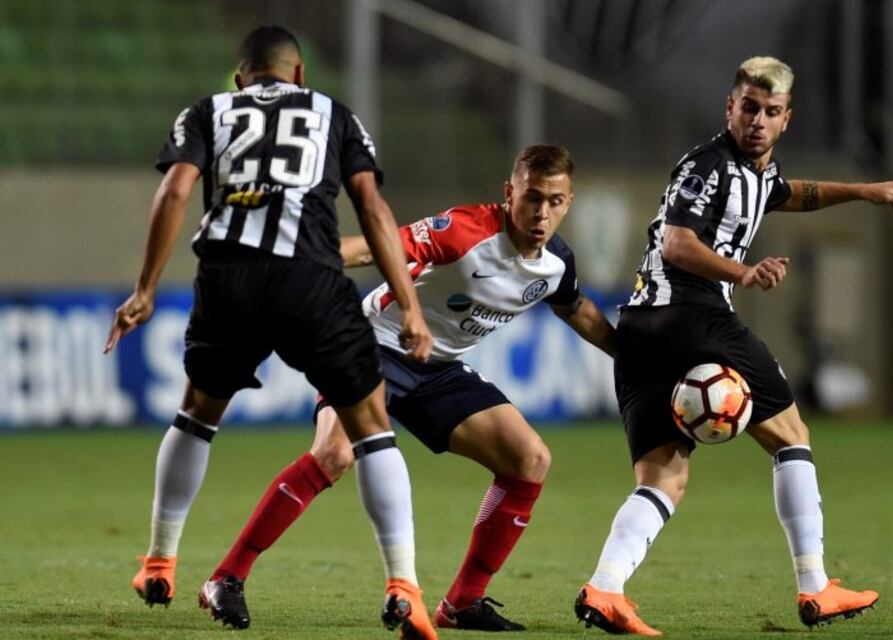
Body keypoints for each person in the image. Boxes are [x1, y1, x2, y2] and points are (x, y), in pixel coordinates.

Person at [103, 25, 442, 639]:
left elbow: (175, 189)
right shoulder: (333, 114)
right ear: (300, 74)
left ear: (241, 79)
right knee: (370, 428)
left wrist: (145, 288)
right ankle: (403, 585)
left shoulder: (208, 111)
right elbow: (372, 208)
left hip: (227, 278)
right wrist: (411, 307)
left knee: (196, 415)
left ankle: (159, 562)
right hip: (310, 278)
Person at [572, 56, 893, 636]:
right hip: (693, 316)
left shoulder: (759, 173)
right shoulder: (708, 165)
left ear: (787, 118)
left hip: (641, 331)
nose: (758, 121)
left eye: (771, 111)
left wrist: (865, 191)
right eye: (749, 108)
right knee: (792, 436)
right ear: (730, 108)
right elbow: (677, 244)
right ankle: (815, 586)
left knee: (662, 479)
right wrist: (742, 272)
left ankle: (605, 588)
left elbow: (791, 193)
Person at [197, 144, 616, 632]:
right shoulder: (466, 230)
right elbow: (376, 246)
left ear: (569, 202)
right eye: (532, 198)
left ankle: (462, 604)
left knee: (529, 459)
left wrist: (628, 357)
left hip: (435, 366)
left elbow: (577, 309)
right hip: (369, 344)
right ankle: (226, 578)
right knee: (334, 453)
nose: (542, 212)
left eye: (555, 201)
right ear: (509, 193)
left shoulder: (557, 263)